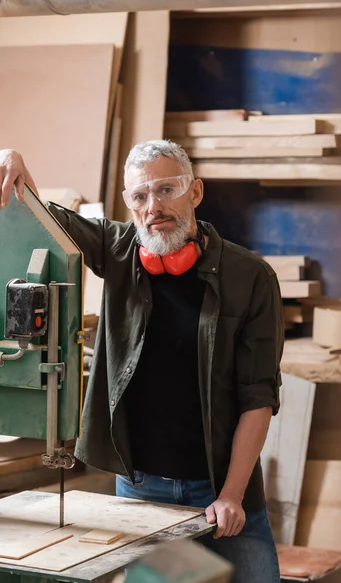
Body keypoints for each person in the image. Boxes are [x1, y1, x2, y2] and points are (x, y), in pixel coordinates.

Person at [0, 141, 284, 582]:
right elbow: (48, 224)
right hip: (142, 492)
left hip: (224, 490)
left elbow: (258, 397)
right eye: (140, 196)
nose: (154, 206)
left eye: (167, 189)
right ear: (129, 204)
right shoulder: (117, 250)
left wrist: (231, 495)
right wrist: (13, 163)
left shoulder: (250, 278)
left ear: (195, 192)